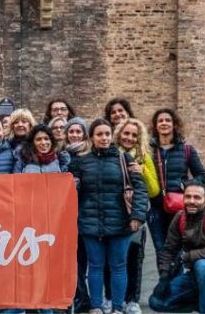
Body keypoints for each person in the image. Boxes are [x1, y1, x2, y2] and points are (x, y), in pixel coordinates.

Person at [68, 119, 148, 314]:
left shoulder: (124, 159)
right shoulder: (81, 162)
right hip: (89, 222)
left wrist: (137, 215)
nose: (104, 138)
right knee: (95, 266)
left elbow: (140, 188)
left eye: (107, 134)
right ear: (91, 137)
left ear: (112, 136)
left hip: (120, 222)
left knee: (118, 266)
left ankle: (117, 307)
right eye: (99, 134)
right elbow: (71, 191)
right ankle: (96, 306)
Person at [148, 181, 205, 314]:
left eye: (197, 197)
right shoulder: (180, 217)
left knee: (203, 265)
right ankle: (201, 304)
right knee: (156, 302)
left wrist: (186, 256)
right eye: (188, 197)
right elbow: (168, 250)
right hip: (194, 276)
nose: (191, 201)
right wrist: (164, 276)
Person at [147, 108, 205, 256]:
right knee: (160, 249)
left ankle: (177, 278)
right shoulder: (148, 151)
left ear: (174, 125)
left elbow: (201, 175)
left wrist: (185, 186)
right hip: (155, 206)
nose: (164, 123)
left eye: (168, 120)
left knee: (178, 248)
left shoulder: (186, 150)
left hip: (178, 206)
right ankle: (165, 279)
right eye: (160, 121)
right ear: (155, 126)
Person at [116, 118, 157, 313]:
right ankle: (115, 298)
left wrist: (143, 172)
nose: (129, 138)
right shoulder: (112, 153)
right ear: (119, 134)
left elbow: (155, 190)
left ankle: (132, 299)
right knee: (115, 259)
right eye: (126, 133)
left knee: (134, 258)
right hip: (115, 214)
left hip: (136, 214)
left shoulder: (143, 156)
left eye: (134, 135)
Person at [64, 117, 92, 312]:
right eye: (71, 131)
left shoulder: (89, 156)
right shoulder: (61, 155)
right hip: (63, 216)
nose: (74, 135)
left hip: (83, 213)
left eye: (78, 131)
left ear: (84, 134)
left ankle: (82, 299)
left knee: (81, 261)